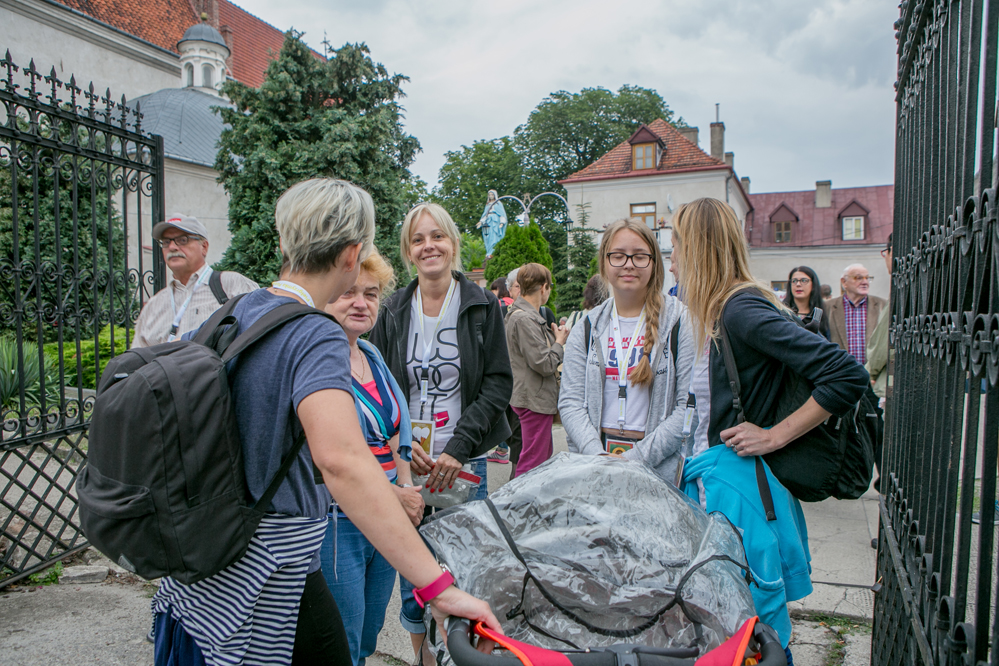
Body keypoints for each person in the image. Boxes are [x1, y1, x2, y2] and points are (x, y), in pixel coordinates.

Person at [151, 179, 500, 666]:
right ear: (352, 254)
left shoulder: (236, 312)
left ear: (283, 242)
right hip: (270, 571)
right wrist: (438, 587)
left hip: (205, 567)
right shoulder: (314, 333)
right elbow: (341, 462)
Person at [670, 198, 868, 664]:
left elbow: (846, 375)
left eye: (675, 244)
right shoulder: (722, 308)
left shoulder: (739, 309)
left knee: (752, 629)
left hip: (740, 489)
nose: (671, 257)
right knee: (734, 621)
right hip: (726, 481)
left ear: (696, 248)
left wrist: (775, 435)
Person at [369, 202, 512, 664]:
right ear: (408, 251)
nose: (428, 246)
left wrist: (458, 448)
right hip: (407, 462)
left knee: (462, 567)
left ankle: (460, 655)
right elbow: (379, 383)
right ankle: (423, 659)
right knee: (412, 569)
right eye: (418, 239)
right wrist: (402, 447)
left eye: (437, 236)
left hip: (462, 462)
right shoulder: (392, 309)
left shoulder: (482, 304)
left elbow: (497, 383)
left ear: (453, 243)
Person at [319, 250, 424, 666]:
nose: (361, 303)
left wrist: (404, 486)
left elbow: (397, 429)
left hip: (385, 516)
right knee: (342, 639)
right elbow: (332, 452)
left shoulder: (371, 355)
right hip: (339, 520)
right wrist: (393, 496)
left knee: (367, 632)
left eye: (371, 293)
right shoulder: (318, 360)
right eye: (349, 292)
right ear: (327, 295)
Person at [559, 218, 695, 483]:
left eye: (640, 256)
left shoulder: (680, 322)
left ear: (654, 263)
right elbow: (570, 402)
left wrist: (637, 458)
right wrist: (597, 455)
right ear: (604, 263)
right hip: (595, 469)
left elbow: (688, 407)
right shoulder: (587, 327)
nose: (629, 264)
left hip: (657, 473)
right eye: (618, 256)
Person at [132, 214, 257, 348]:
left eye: (182, 240)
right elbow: (137, 357)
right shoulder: (153, 306)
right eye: (166, 242)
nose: (172, 247)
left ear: (204, 247)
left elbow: (260, 335)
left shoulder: (232, 285)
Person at [505, 263, 569, 477]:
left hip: (532, 397)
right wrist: (559, 342)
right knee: (533, 462)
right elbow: (544, 364)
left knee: (537, 457)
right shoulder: (524, 318)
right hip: (534, 398)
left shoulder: (523, 315)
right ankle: (522, 498)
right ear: (543, 287)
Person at [827, 264, 887, 363]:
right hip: (840, 370)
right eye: (859, 278)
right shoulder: (828, 307)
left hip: (872, 371)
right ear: (844, 282)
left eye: (867, 278)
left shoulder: (882, 305)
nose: (865, 282)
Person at [781, 266, 830, 339]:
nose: (798, 284)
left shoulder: (823, 312)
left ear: (813, 285)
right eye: (794, 281)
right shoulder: (781, 312)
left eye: (804, 280)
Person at [477, 189, 508, 257]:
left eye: (492, 194)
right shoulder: (488, 204)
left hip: (495, 222)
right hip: (488, 222)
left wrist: (502, 223)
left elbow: (502, 214)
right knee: (488, 237)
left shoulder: (498, 203)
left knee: (494, 237)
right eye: (489, 195)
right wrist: (481, 222)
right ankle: (489, 252)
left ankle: (494, 252)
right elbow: (485, 214)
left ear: (495, 195)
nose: (490, 196)